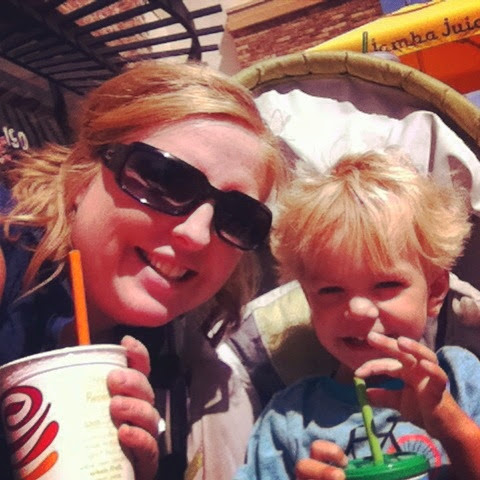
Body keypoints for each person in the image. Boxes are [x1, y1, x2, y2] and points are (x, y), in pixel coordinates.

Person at [0, 60, 286, 480]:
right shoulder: (8, 251)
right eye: (164, 179)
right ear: (82, 175)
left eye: (238, 217)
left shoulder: (176, 350)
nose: (196, 234)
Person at [234, 150, 480, 480]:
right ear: (309, 301)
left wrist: (455, 428)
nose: (358, 310)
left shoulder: (463, 380)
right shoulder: (289, 419)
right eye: (330, 290)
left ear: (435, 292)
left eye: (386, 284)